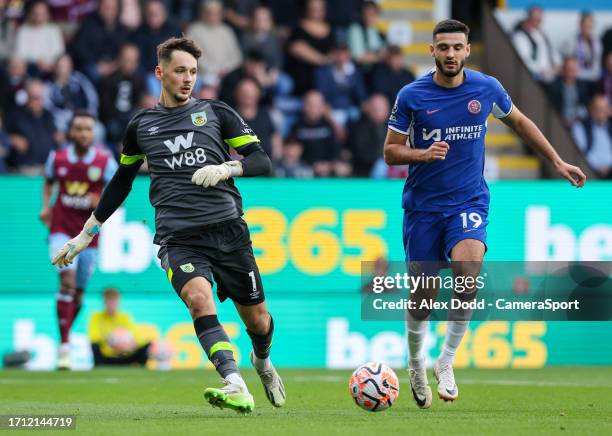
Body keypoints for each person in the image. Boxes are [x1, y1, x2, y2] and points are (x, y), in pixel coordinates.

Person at [52, 37, 284, 413]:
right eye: (180, 71)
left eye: (193, 71)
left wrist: (229, 166)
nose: (188, 78)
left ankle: (262, 361)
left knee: (257, 320)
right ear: (160, 73)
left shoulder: (216, 113)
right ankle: (233, 380)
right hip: (178, 237)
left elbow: (262, 161)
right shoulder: (141, 125)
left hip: (228, 230)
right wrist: (86, 232)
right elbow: (121, 182)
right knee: (198, 300)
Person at [384, 20, 586, 409]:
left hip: (468, 201)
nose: (450, 54)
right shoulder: (411, 96)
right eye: (443, 47)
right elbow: (390, 151)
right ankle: (414, 362)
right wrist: (422, 154)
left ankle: (445, 361)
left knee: (469, 266)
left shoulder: (486, 88)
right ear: (432, 51)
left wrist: (558, 161)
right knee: (422, 295)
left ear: (467, 50)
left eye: (457, 47)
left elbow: (521, 122)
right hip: (423, 207)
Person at [41, 111, 117, 369]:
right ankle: (64, 347)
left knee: (79, 294)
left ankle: (64, 336)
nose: (84, 133)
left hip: (88, 235)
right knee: (67, 282)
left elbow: (117, 191)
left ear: (93, 133)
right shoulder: (58, 158)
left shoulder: (104, 161)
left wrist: (104, 204)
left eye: (88, 129)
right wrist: (46, 207)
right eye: (79, 129)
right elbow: (48, 182)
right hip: (61, 228)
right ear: (71, 133)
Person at [6, 80, 59, 174]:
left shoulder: (48, 115)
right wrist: (12, 139)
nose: (37, 101)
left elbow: (55, 135)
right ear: (27, 96)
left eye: (39, 98)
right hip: (26, 167)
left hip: (47, 166)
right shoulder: (15, 114)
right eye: (33, 97)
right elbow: (3, 134)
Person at [88, 288, 151, 367]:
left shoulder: (125, 317)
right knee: (94, 346)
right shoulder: (96, 317)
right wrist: (113, 341)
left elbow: (137, 337)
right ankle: (99, 366)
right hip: (106, 356)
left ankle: (140, 367)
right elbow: (94, 337)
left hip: (125, 354)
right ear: (104, 302)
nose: (111, 303)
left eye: (114, 300)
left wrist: (129, 344)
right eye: (109, 300)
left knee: (147, 345)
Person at [186, 0, 243, 85]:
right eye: (209, 13)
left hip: (227, 73)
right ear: (202, 13)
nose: (213, 16)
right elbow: (194, 56)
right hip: (204, 74)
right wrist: (215, 70)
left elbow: (236, 57)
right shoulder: (194, 30)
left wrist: (225, 70)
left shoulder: (227, 30)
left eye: (216, 13)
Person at [286, 0, 335, 96]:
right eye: (313, 9)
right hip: (302, 73)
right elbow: (297, 48)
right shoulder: (298, 28)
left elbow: (334, 51)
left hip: (325, 76)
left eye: (319, 9)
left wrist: (327, 60)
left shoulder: (331, 28)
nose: (316, 12)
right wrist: (322, 60)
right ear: (307, 9)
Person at [13, 1, 65, 76]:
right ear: (31, 13)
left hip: (52, 66)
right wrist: (37, 61)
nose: (39, 17)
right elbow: (20, 53)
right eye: (36, 13)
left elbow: (59, 52)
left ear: (48, 14)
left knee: (64, 62)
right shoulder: (23, 30)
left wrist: (49, 64)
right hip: (31, 68)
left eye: (42, 14)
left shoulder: (54, 30)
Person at [511, 5, 560, 83]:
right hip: (534, 81)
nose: (537, 22)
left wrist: (557, 66)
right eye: (535, 19)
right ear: (528, 18)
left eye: (539, 20)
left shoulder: (542, 35)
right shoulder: (519, 36)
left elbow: (554, 54)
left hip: (551, 78)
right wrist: (543, 71)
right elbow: (525, 61)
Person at [347, 93, 389, 177]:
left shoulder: (396, 126)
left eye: (381, 108)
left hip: (394, 165)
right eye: (375, 109)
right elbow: (362, 154)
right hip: (370, 168)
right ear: (369, 110)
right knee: (381, 166)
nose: (378, 112)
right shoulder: (360, 128)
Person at [572, 94, 611, 178]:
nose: (601, 112)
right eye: (598, 109)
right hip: (588, 172)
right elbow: (581, 152)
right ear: (591, 109)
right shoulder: (580, 126)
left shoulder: (610, 128)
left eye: (604, 109)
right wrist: (598, 167)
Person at [546, 56, 591, 126]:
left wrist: (576, 118)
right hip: (559, 122)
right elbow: (552, 107)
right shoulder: (555, 86)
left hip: (577, 122)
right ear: (563, 70)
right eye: (568, 69)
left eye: (573, 70)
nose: (570, 73)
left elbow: (584, 106)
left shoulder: (582, 86)